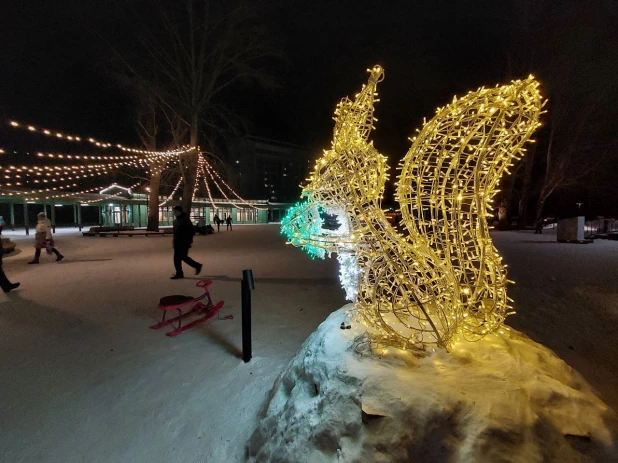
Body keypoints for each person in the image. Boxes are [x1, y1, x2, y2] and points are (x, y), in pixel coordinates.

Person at [171, 205, 202, 280]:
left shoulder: (185, 220)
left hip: (183, 243)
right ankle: (196, 266)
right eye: (173, 212)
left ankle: (180, 273)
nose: (174, 213)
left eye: (175, 212)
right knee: (182, 257)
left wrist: (188, 241)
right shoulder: (177, 221)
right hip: (178, 242)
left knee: (178, 258)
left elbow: (191, 231)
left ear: (179, 211)